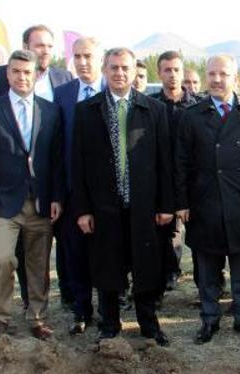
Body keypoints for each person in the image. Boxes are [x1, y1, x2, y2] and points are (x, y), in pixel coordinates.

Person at [72, 47, 174, 345]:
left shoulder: (154, 110)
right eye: (114, 67)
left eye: (125, 68)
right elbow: (77, 164)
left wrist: (166, 204)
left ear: (134, 71)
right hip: (104, 206)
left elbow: (164, 161)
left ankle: (149, 324)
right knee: (107, 266)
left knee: (146, 265)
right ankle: (109, 323)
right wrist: (82, 209)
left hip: (144, 205)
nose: (119, 73)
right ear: (104, 70)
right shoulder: (87, 111)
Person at [176, 54, 240, 344]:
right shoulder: (192, 115)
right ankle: (209, 320)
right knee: (207, 271)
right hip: (204, 203)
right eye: (212, 74)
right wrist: (182, 201)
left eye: (223, 74)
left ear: (235, 78)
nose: (217, 80)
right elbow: (180, 163)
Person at [0, 50, 64, 340]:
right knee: (2, 259)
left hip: (40, 202)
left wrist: (57, 197)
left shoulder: (51, 110)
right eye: (16, 71)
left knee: (38, 263)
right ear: (8, 74)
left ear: (36, 75)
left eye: (27, 72)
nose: (22, 77)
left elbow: (57, 159)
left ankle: (37, 317)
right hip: (4, 204)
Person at [53, 37, 104, 335]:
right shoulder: (62, 95)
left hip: (108, 193)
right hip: (73, 193)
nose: (83, 61)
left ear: (99, 58)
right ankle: (81, 310)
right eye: (77, 56)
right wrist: (58, 194)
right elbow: (56, 149)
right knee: (75, 253)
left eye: (88, 56)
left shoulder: (115, 90)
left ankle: (111, 305)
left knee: (109, 252)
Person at [149, 51, 198, 293]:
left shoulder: (197, 106)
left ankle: (207, 282)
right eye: (167, 70)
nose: (172, 75)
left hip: (192, 180)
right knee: (165, 233)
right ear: (159, 73)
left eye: (176, 70)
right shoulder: (152, 106)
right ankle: (167, 274)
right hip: (162, 178)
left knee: (199, 234)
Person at [0, 25, 73, 102]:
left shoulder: (65, 78)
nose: (46, 51)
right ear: (25, 46)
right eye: (40, 46)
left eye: (50, 46)